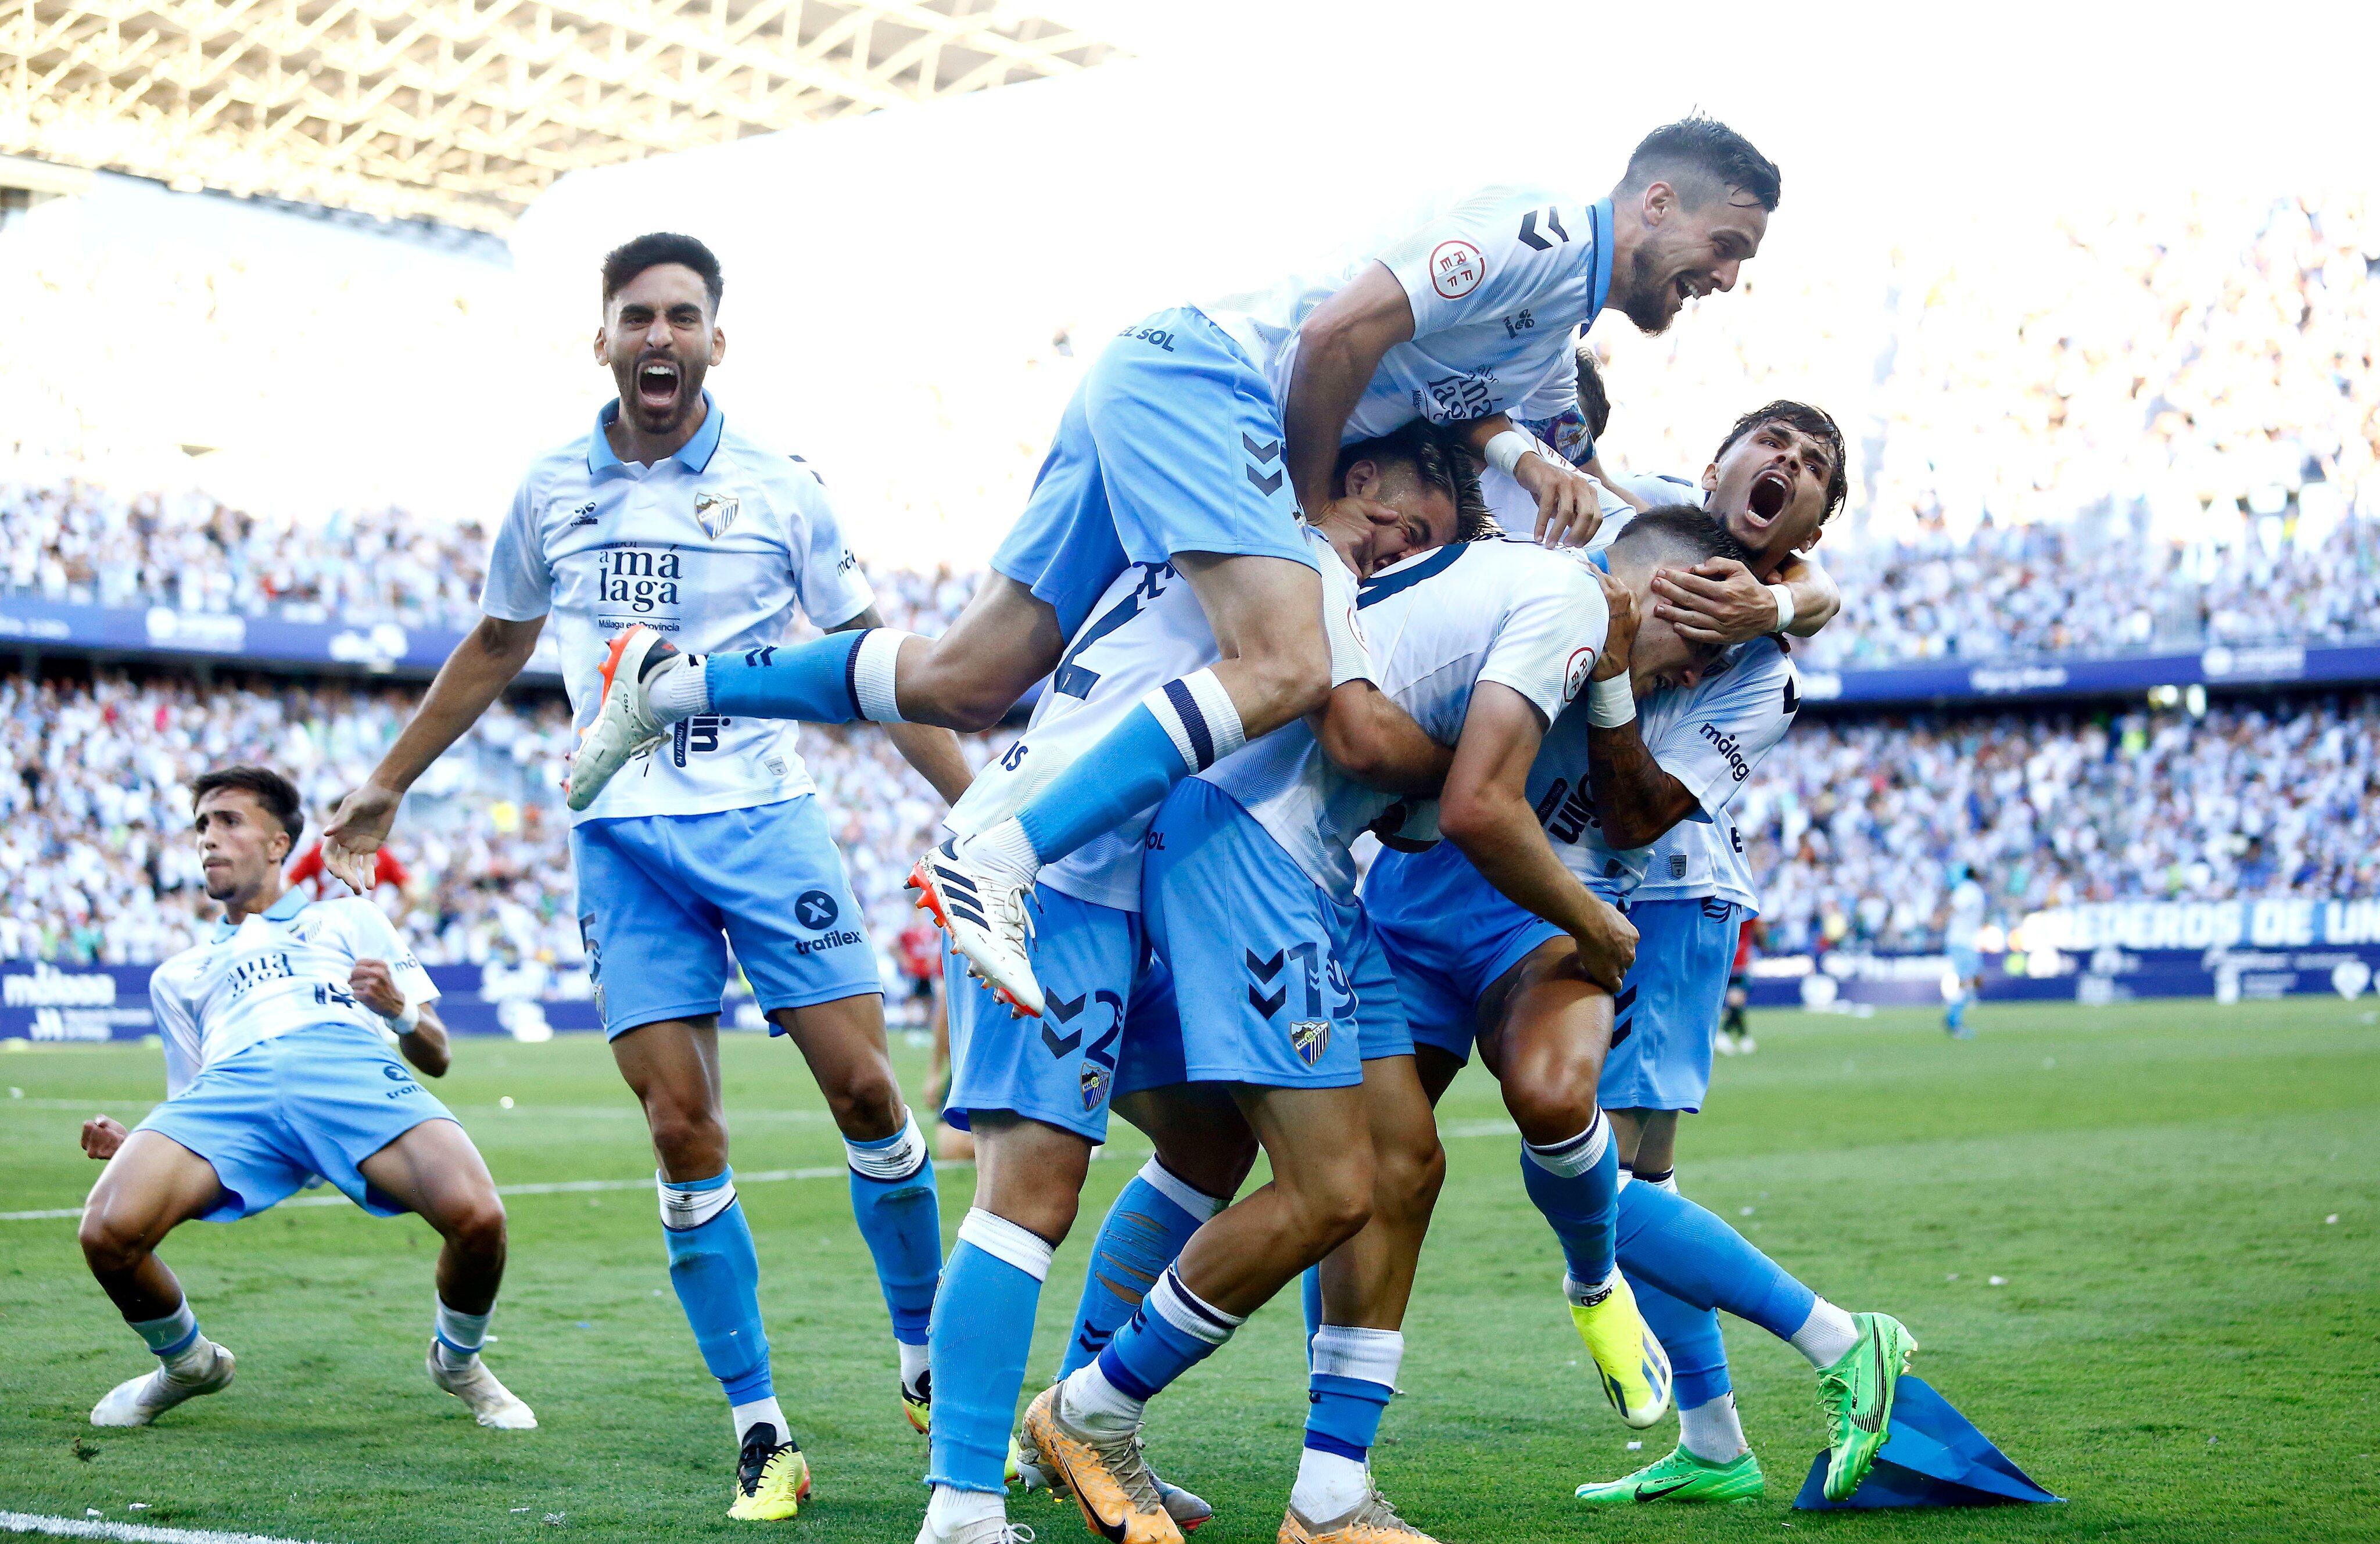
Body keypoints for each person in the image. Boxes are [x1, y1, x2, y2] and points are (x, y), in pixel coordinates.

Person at [566, 116, 1782, 1023]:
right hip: (1210, 386)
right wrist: (1308, 510)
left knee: (971, 675)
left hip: (1157, 380)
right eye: (1722, 245)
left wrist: (1768, 587)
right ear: (1657, 200)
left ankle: (668, 684)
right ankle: (999, 855)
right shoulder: (1536, 231)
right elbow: (1335, 334)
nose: (1724, 277)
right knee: (1290, 657)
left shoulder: (1548, 329)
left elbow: (1472, 418)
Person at [319, 231, 971, 1523]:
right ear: (604, 339)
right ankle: (760, 1429)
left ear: (716, 341)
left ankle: (923, 1364)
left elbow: (866, 659)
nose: (658, 336)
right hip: (621, 840)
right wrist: (388, 781)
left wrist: (979, 799)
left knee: (863, 1093)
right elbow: (499, 640)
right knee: (682, 1132)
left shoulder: (786, 490)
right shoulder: (549, 487)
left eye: (682, 316)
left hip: (768, 824)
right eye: (636, 317)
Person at [1037, 498, 1671, 1544]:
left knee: (1405, 1165)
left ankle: (1331, 1494)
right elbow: (1474, 809)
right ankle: (1088, 1410)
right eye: (1682, 637)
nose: (1675, 674)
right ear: (1631, 591)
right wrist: (1593, 922)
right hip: (1252, 845)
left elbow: (1421, 814)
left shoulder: (1488, 598)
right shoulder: (1565, 598)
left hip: (1318, 877)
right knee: (1328, 1190)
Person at [913, 425, 1464, 1544]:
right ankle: (962, 1503)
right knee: (1030, 1190)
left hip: (1139, 886)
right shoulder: (1295, 561)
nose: (1390, 553)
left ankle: (1072, 1431)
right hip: (1056, 871)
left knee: (1212, 1143)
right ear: (1353, 479)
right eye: (1399, 526)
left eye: (1417, 548)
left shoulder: (1245, 544)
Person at [76, 766, 532, 1433]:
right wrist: (137, 1145)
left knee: (479, 1219)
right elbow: (193, 1097)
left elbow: (437, 1052)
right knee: (106, 1231)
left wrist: (399, 1010)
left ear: (278, 843)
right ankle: (188, 1363)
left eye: (229, 820)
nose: (208, 838)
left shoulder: (348, 918)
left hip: (346, 1067)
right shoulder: (176, 976)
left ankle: (458, 1361)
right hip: (234, 1092)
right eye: (202, 825)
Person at [285, 791, 409, 901]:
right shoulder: (382, 853)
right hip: (361, 923)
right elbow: (411, 893)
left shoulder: (320, 850)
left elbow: (288, 885)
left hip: (326, 922)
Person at [1943, 866, 1986, 1038]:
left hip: (1966, 941)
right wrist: (1940, 919)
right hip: (1962, 942)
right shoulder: (1969, 889)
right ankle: (1955, 1021)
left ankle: (1953, 1015)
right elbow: (1955, 906)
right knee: (1970, 981)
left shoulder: (1970, 890)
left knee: (1974, 980)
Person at [1715, 915, 1759, 1057]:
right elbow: (1760, 929)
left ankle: (1744, 1038)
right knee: (1736, 1002)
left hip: (1727, 959)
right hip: (1738, 961)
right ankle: (1724, 1034)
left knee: (1738, 1003)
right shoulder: (1747, 911)